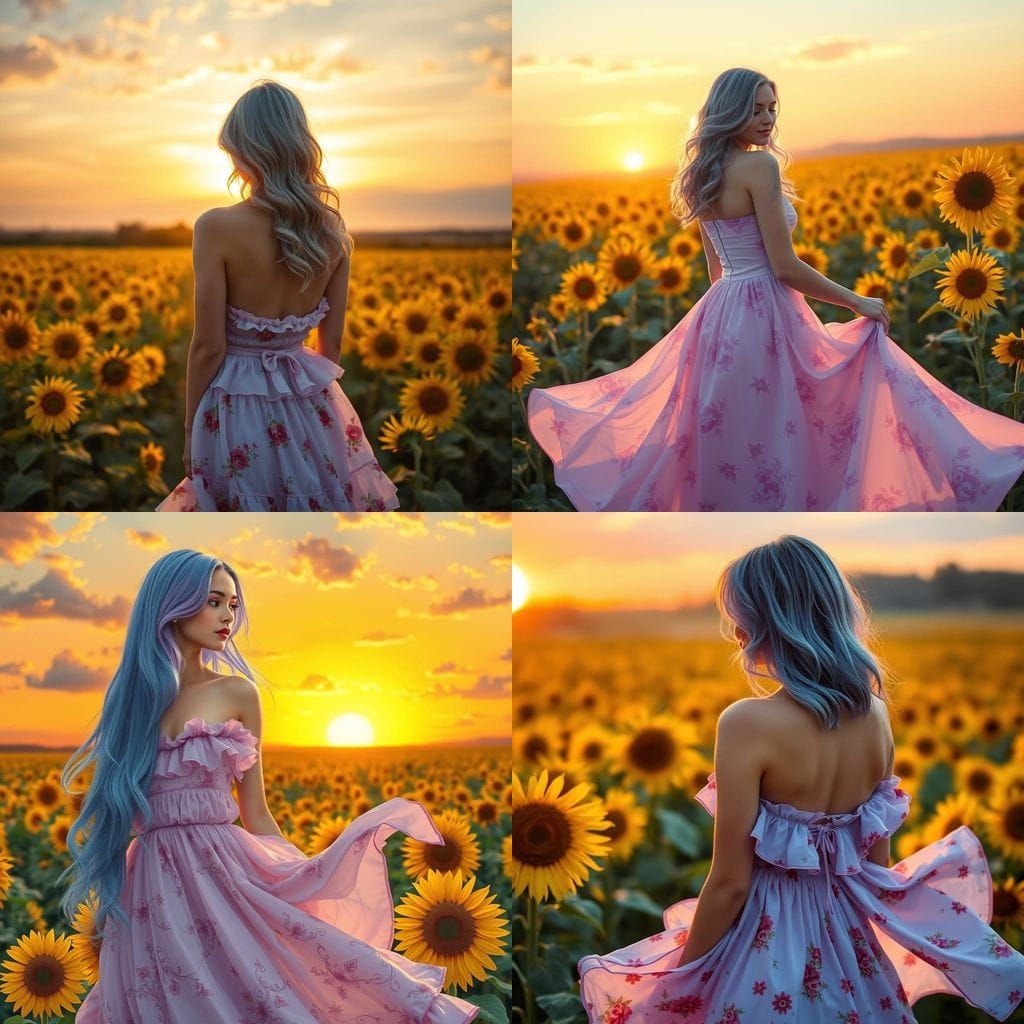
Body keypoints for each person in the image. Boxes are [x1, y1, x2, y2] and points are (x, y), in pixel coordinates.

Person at [527, 68, 1024, 511]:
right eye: (756, 109)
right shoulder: (760, 167)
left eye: (772, 109)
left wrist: (730, 322)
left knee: (741, 439)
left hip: (719, 318)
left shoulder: (700, 173)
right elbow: (783, 267)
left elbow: (716, 272)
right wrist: (856, 301)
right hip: (766, 309)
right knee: (796, 426)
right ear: (730, 111)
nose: (767, 119)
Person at [577, 535, 1024, 1023]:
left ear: (774, 620)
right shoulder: (876, 716)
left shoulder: (746, 723)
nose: (735, 633)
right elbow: (874, 866)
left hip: (765, 952)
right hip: (851, 952)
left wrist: (683, 980)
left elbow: (729, 883)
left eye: (740, 617)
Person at [61, 549, 476, 1022]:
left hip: (224, 874)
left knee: (256, 992)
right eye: (214, 601)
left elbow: (254, 810)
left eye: (233, 606)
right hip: (149, 891)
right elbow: (118, 813)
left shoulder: (237, 692)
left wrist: (299, 879)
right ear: (173, 604)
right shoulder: (130, 701)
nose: (227, 618)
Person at [155, 80, 398, 512]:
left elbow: (209, 346)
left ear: (246, 149)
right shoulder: (334, 234)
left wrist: (192, 429)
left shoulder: (215, 227)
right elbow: (333, 346)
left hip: (235, 407)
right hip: (312, 408)